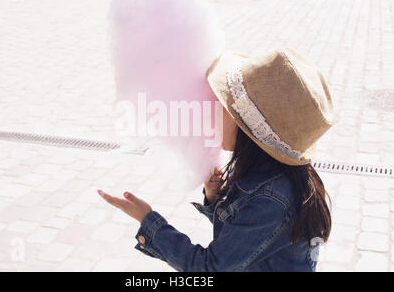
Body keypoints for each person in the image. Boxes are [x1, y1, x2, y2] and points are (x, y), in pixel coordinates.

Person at [98, 48, 335, 271]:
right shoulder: (271, 174)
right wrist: (216, 199)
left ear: (248, 129)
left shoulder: (271, 200)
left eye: (223, 106)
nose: (212, 110)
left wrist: (148, 220)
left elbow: (209, 268)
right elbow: (248, 238)